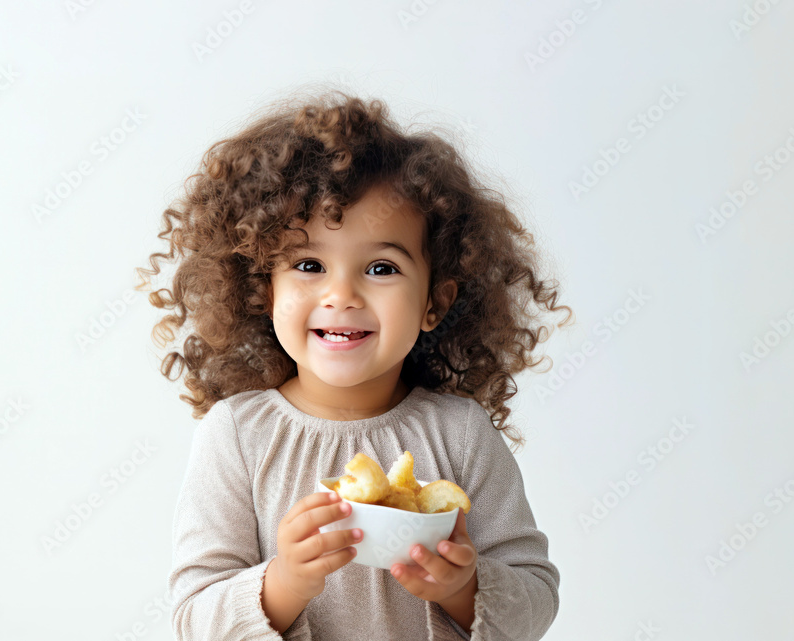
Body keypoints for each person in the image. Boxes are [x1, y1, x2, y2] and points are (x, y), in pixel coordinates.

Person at [137, 90, 572, 640]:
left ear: (433, 302)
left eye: (382, 268)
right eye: (310, 264)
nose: (341, 294)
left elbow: (536, 598)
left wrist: (462, 588)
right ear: (264, 291)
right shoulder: (237, 436)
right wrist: (286, 582)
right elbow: (194, 619)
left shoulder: (460, 435)